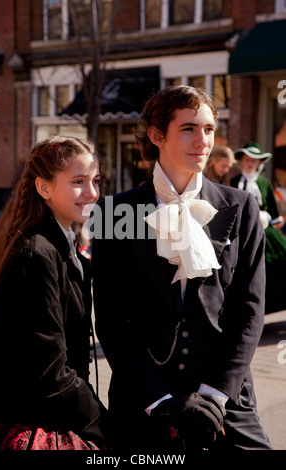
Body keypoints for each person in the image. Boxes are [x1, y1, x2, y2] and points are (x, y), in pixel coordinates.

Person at [91, 86, 272, 451]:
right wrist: (159, 402)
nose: (202, 140)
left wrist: (215, 395)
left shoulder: (241, 207)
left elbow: (249, 312)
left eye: (208, 129)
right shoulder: (113, 213)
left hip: (225, 396)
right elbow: (113, 320)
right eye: (189, 128)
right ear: (157, 136)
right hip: (145, 399)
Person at [0, 136, 110, 450]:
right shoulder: (36, 255)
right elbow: (50, 375)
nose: (92, 192)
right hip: (38, 422)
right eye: (78, 181)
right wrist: (108, 428)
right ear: (44, 188)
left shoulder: (58, 244)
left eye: (95, 180)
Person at [230, 142, 286, 314]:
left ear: (259, 163)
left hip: (265, 233)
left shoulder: (264, 183)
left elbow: (275, 215)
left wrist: (268, 221)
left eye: (254, 160)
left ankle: (269, 307)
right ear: (241, 161)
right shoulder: (232, 182)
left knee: (277, 264)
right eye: (247, 159)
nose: (250, 163)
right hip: (241, 233)